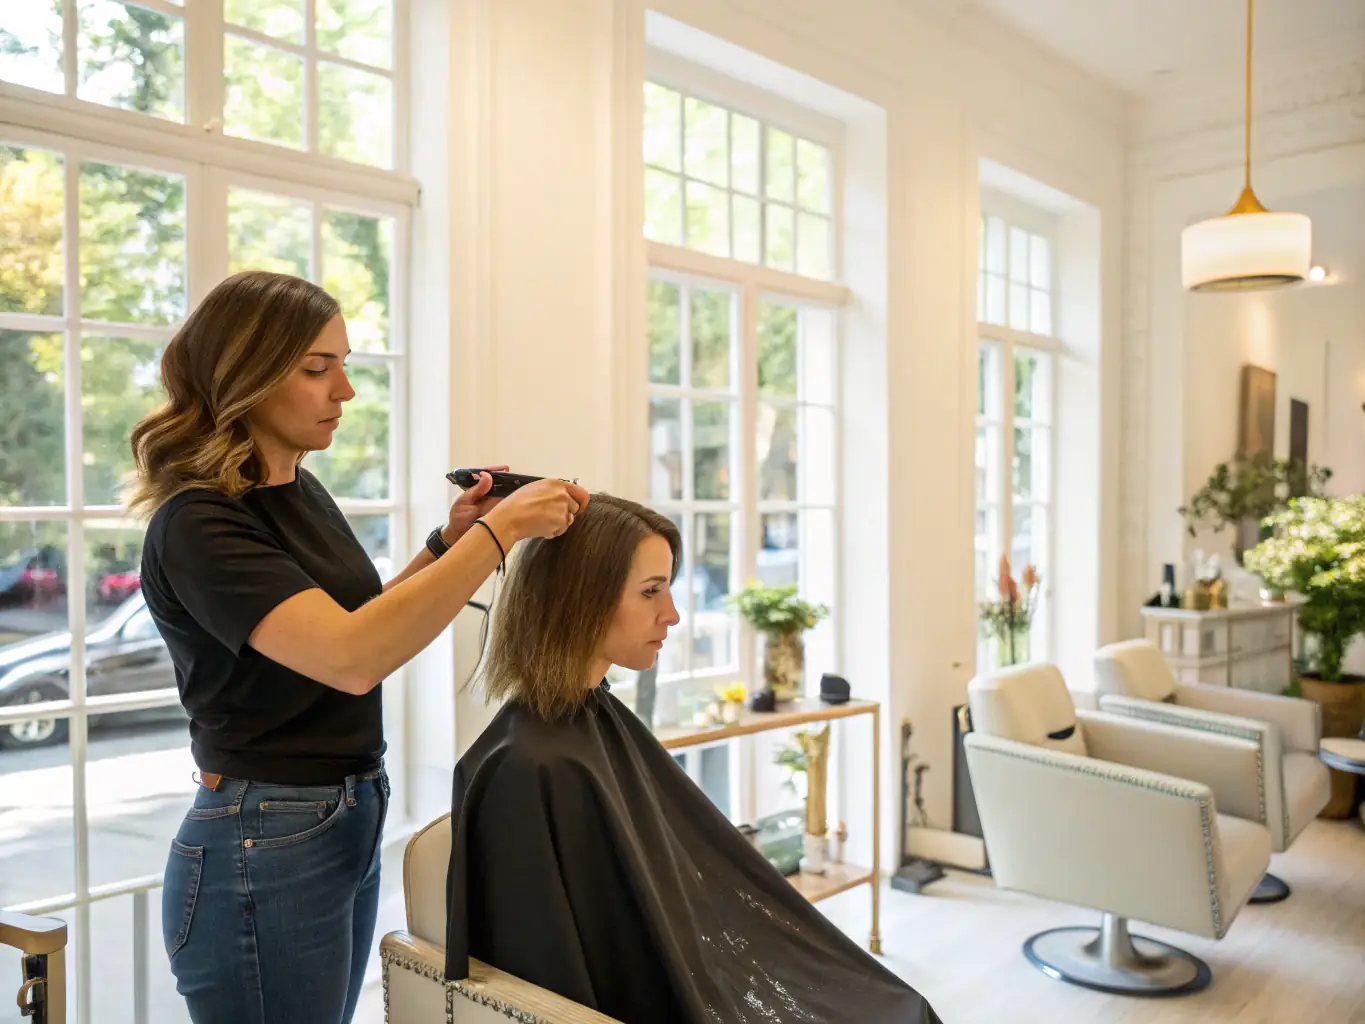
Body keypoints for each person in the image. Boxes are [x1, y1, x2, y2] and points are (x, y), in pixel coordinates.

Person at [127, 269, 589, 1024]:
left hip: (342, 808)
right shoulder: (199, 524)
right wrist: (500, 533)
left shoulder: (297, 492)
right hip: (264, 832)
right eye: (317, 368)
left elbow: (357, 621)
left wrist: (450, 541)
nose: (343, 391)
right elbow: (351, 657)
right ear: (245, 374)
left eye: (343, 365)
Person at [445, 494, 942, 1024]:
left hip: (695, 974)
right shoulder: (531, 765)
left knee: (897, 1006)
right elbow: (551, 979)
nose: (674, 614)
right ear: (580, 598)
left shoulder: (591, 717)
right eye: (651, 591)